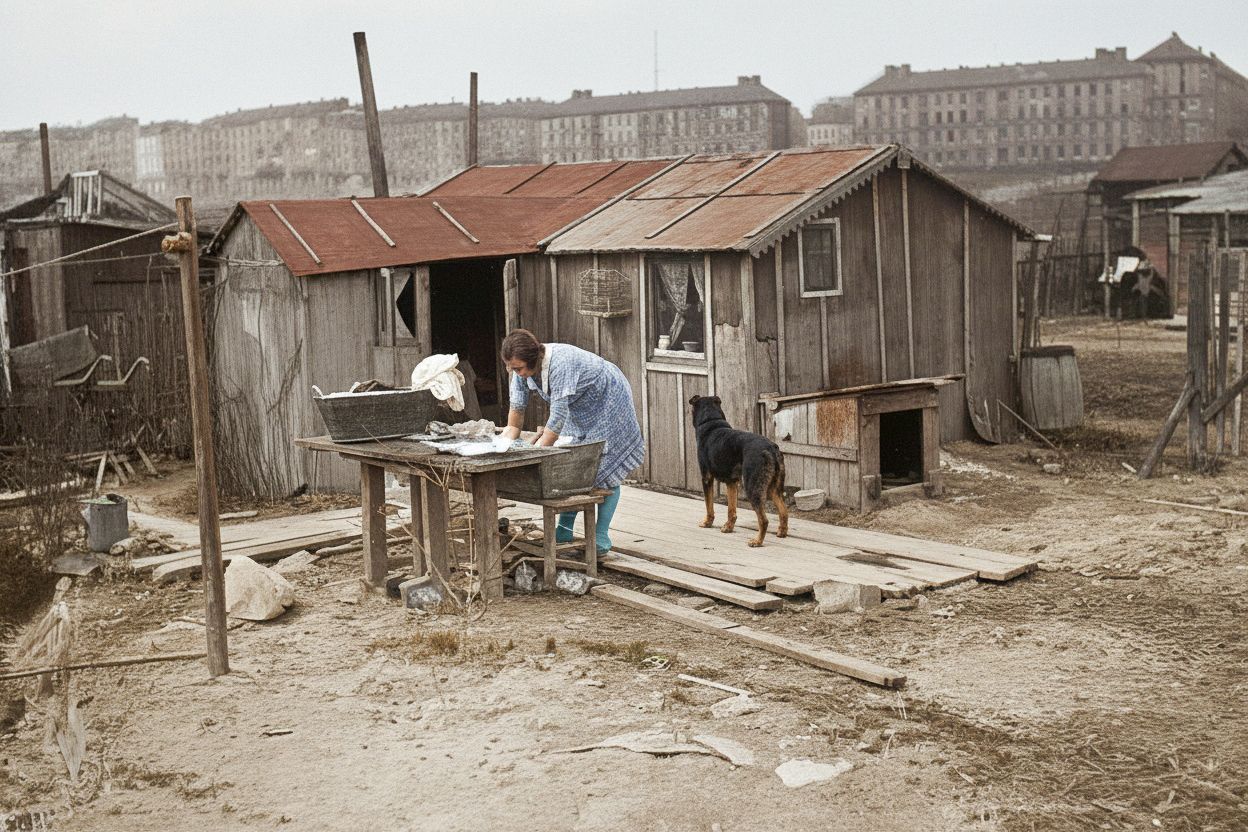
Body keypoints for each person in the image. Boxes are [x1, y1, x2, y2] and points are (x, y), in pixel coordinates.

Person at [499, 329, 644, 555]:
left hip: (609, 399)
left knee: (602, 467)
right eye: (510, 367)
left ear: (534, 359)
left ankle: (600, 537)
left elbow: (556, 418)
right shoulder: (519, 372)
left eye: (518, 368)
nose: (514, 372)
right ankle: (564, 530)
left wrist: (536, 455)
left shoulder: (560, 364)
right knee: (574, 468)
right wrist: (504, 445)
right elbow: (516, 411)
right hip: (580, 407)